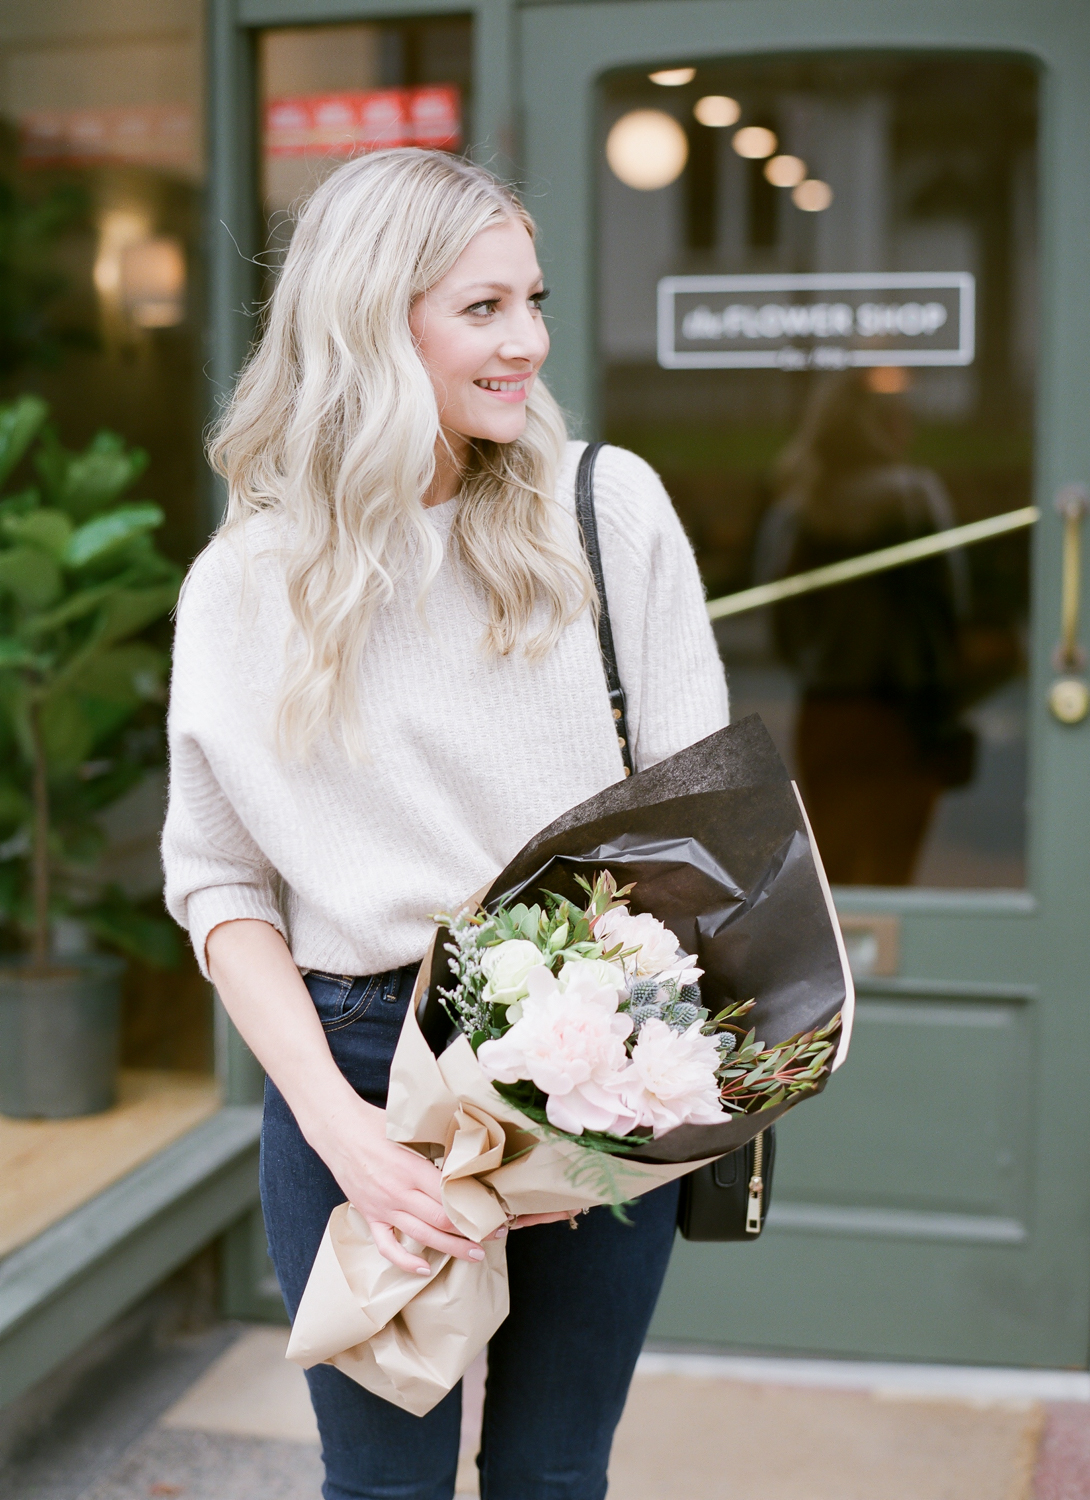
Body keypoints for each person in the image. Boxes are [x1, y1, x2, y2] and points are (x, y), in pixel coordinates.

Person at [161, 148, 728, 1500]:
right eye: (480, 308)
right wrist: (344, 1134)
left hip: (598, 1058)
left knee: (550, 1474)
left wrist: (631, 1051)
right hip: (359, 1069)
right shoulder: (245, 581)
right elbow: (220, 888)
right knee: (383, 1489)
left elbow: (701, 818)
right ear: (370, 315)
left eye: (529, 300)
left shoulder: (602, 509)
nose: (526, 341)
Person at [753, 369, 974, 886]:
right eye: (898, 416)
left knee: (837, 871)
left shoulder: (798, 507)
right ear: (879, 426)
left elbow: (779, 627)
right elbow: (953, 605)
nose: (909, 427)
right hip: (907, 712)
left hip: (829, 712)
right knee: (897, 876)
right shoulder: (918, 497)